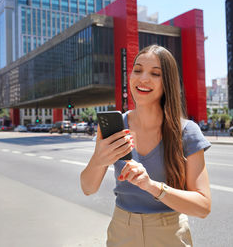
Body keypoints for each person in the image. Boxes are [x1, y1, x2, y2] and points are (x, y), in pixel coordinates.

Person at [80, 45, 211, 247]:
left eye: (155, 73)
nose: (143, 79)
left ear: (167, 82)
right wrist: (99, 159)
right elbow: (88, 188)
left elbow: (203, 206)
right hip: (121, 231)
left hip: (169, 234)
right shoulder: (115, 127)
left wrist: (151, 186)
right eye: (138, 70)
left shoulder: (187, 131)